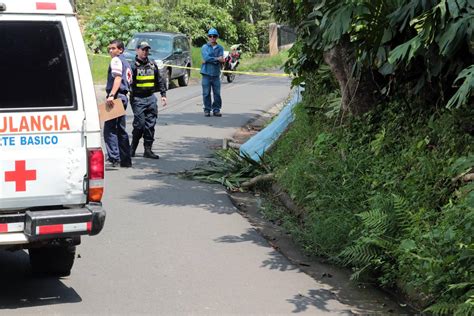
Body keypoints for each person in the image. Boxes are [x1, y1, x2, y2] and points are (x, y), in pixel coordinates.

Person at [130, 41, 167, 159]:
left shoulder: (152, 64)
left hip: (150, 97)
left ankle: (148, 150)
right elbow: (127, 81)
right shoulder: (132, 66)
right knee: (139, 125)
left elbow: (159, 80)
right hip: (137, 98)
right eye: (143, 49)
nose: (145, 52)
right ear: (137, 50)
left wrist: (163, 94)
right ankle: (132, 149)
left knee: (150, 125)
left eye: (147, 50)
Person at [104, 39, 133, 168]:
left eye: (113, 48)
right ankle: (125, 159)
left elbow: (117, 78)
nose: (111, 51)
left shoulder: (116, 60)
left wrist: (111, 95)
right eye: (109, 48)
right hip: (123, 96)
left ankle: (114, 157)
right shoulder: (126, 62)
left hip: (116, 96)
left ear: (120, 50)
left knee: (109, 129)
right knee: (121, 129)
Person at [201, 28, 224, 117]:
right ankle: (207, 109)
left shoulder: (220, 48)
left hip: (215, 74)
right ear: (208, 37)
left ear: (217, 37)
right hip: (206, 73)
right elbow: (206, 58)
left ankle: (216, 109)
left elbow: (221, 59)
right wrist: (216, 59)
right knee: (206, 93)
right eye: (210, 36)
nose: (212, 38)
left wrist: (210, 59)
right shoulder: (204, 47)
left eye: (214, 36)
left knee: (217, 93)